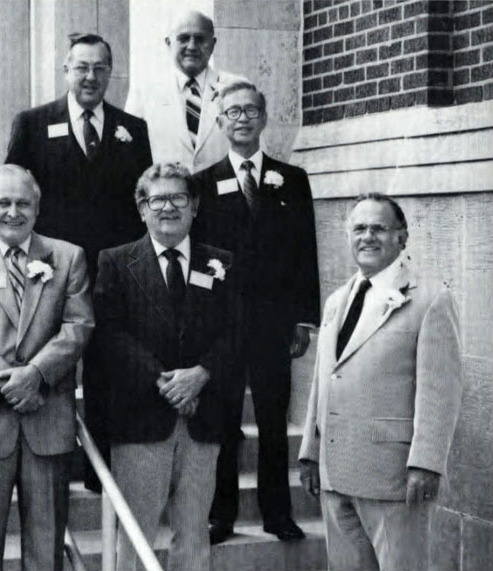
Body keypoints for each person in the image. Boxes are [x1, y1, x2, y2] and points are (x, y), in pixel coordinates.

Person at [5, 32, 152, 492]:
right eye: (82, 67)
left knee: (108, 364)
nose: (90, 76)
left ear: (111, 73)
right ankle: (52, 460)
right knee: (53, 361)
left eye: (100, 68)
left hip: (112, 272)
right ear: (66, 70)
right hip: (51, 271)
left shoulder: (133, 129)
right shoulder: (32, 124)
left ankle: (98, 467)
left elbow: (140, 202)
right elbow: (16, 193)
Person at [0, 164, 95, 571]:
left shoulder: (67, 257)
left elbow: (79, 326)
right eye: (3, 203)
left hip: (47, 419)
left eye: (22, 203)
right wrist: (12, 383)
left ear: (37, 207)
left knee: (46, 546)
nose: (13, 212)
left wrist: (37, 374)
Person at [299, 194, 462, 571]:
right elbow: (324, 380)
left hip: (394, 477)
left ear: (401, 237)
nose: (367, 236)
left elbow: (441, 391)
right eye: (359, 228)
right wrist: (310, 450)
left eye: (379, 228)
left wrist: (426, 463)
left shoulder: (431, 299)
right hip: (335, 473)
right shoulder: (338, 300)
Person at [94, 163, 242, 571]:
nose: (168, 208)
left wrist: (201, 375)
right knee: (135, 538)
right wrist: (165, 382)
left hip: (202, 421)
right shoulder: (115, 262)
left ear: (194, 206)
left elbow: (235, 332)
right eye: (157, 199)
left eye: (178, 198)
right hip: (141, 422)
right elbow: (110, 335)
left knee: (194, 534)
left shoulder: (222, 264)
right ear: (141, 208)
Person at [190, 81, 320, 543]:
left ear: (264, 118)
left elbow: (306, 251)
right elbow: (199, 257)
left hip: (274, 324)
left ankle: (277, 514)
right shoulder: (202, 183)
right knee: (224, 419)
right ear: (220, 122)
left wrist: (305, 319)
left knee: (271, 417)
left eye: (250, 110)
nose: (241, 118)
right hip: (223, 326)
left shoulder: (292, 179)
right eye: (232, 112)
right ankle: (220, 514)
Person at [125, 10, 245, 173]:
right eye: (183, 38)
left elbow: (255, 152)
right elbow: (129, 155)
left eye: (200, 39)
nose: (192, 46)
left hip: (224, 195)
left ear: (213, 44)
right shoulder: (144, 92)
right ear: (169, 43)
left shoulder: (237, 88)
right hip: (167, 196)